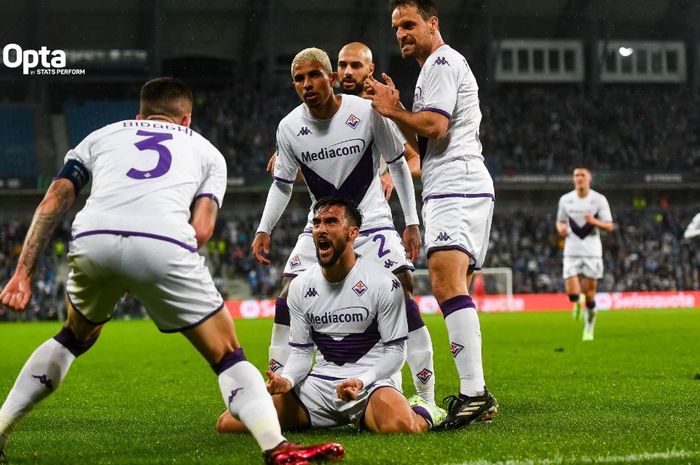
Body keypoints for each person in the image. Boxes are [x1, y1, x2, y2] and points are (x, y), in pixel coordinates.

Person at [0, 77, 343, 465]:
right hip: (164, 241)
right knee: (227, 355)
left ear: (139, 115)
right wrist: (160, 267)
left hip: (93, 236)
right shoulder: (206, 151)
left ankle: (1, 427)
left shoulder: (101, 136)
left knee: (72, 337)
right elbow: (202, 229)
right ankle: (277, 449)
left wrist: (22, 272)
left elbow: (54, 199)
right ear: (186, 119)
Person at [259, 47, 437, 407]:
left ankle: (425, 398)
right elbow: (281, 184)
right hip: (321, 226)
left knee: (403, 291)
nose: (307, 84)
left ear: (332, 78)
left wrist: (412, 222)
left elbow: (398, 164)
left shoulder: (367, 112)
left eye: (314, 75)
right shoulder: (290, 127)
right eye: (299, 78)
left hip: (371, 223)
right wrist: (264, 229)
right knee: (287, 295)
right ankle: (280, 389)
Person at [363, 0, 498, 429]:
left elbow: (436, 128)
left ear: (432, 23)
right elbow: (425, 141)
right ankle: (477, 393)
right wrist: (401, 115)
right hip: (459, 182)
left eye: (409, 24)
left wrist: (391, 110)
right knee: (457, 286)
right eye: (396, 28)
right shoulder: (433, 68)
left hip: (454, 185)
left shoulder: (440, 61)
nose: (401, 33)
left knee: (444, 280)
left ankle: (475, 394)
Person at [217, 196, 446, 434]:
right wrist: (288, 380)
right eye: (317, 223)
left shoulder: (384, 283)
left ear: (352, 233)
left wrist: (362, 381)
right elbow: (302, 353)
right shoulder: (300, 286)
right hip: (319, 387)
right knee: (230, 422)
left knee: (401, 426)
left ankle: (426, 411)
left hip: (370, 386)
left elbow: (396, 353)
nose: (321, 230)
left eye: (331, 222)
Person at [556, 167, 614, 341]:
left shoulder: (599, 200)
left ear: (589, 179)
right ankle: (576, 304)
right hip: (571, 252)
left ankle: (589, 328)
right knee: (573, 294)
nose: (579, 178)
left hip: (592, 253)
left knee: (589, 295)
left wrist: (594, 221)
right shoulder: (565, 200)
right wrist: (561, 230)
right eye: (576, 175)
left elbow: (610, 226)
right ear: (573, 179)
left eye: (582, 175)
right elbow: (559, 222)